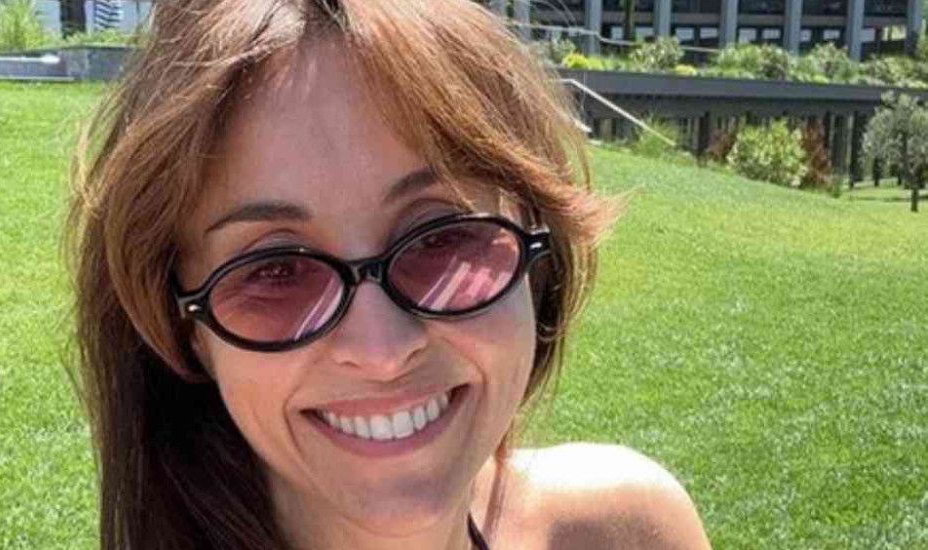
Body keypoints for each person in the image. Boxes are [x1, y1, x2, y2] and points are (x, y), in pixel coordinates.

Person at [65, 1, 711, 548]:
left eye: (443, 239)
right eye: (277, 271)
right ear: (185, 330)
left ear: (536, 252)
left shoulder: (629, 531)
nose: (382, 351)